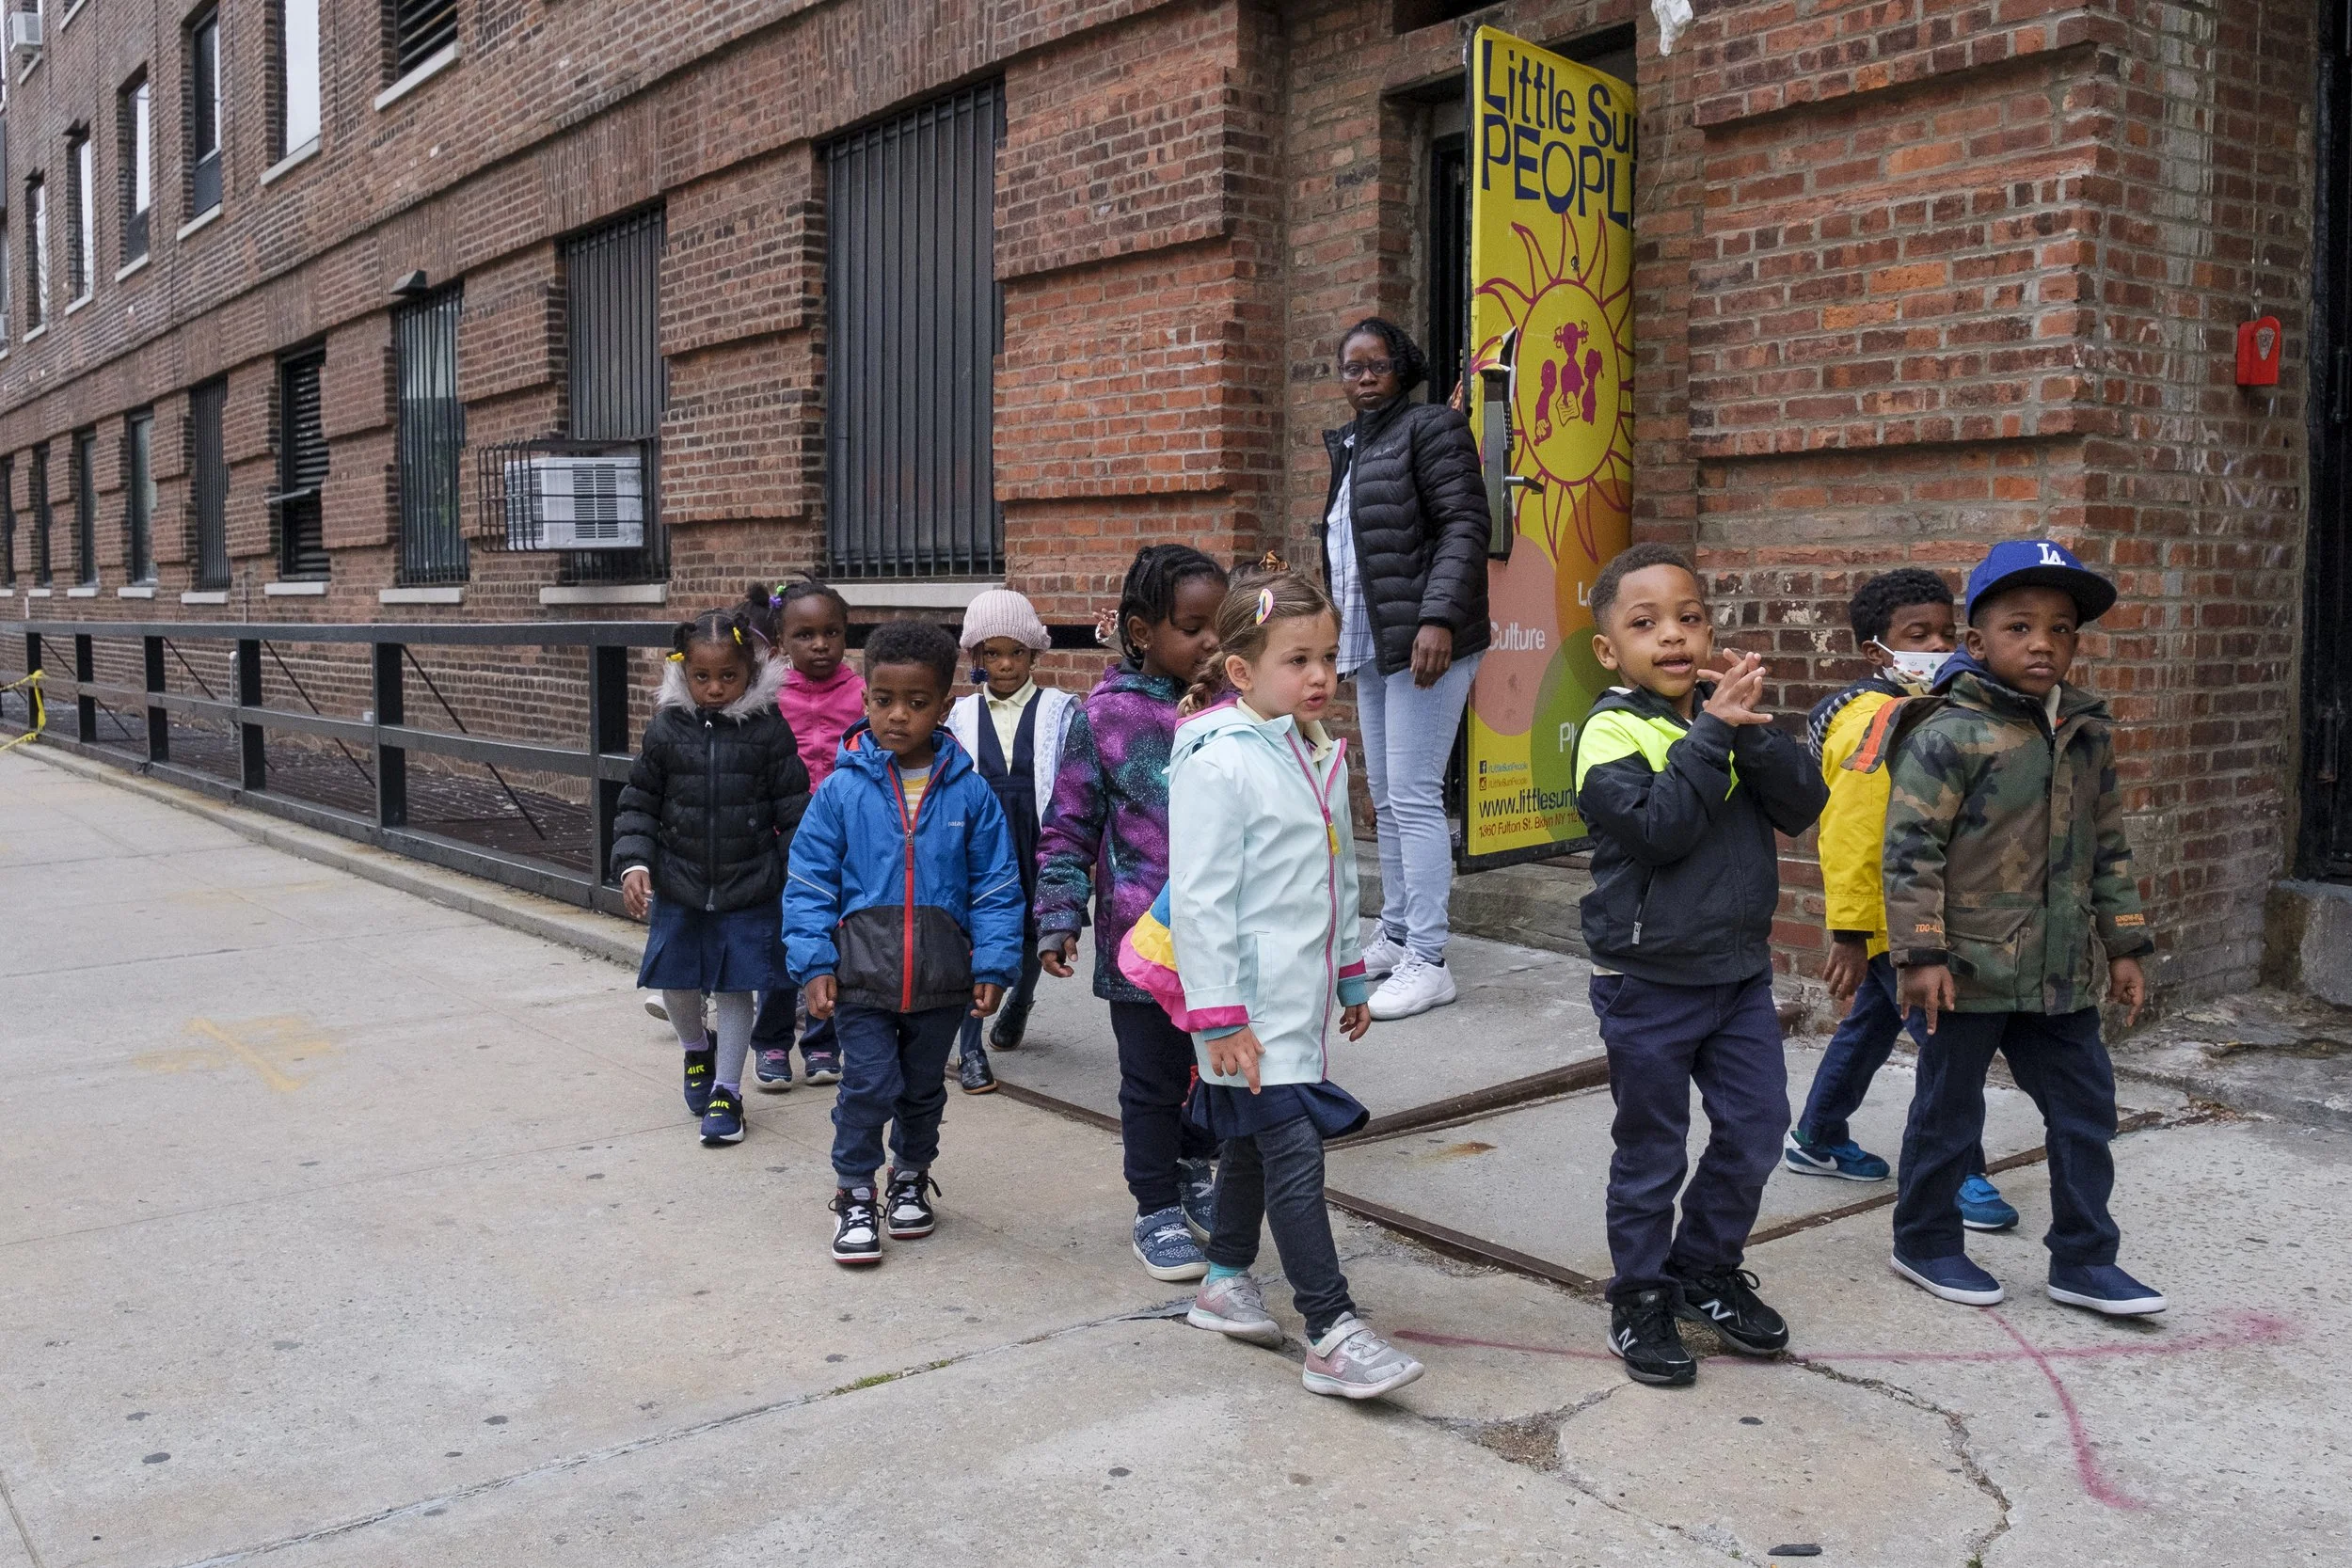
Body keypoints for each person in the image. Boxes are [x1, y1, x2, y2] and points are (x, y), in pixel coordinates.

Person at [1163, 568, 1425, 1401]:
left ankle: (1224, 1279)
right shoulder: (1219, 764)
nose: (1320, 676)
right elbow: (1201, 903)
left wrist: (1351, 973)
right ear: (1242, 672)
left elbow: (1338, 878)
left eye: (1329, 657)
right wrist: (1219, 1018)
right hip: (1241, 1011)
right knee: (1292, 1155)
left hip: (1296, 1009)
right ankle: (1331, 1326)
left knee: (1246, 1143)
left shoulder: (1317, 753)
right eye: (1297, 660)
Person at [1570, 543, 1829, 1386]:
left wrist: (1744, 733)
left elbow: (1804, 802)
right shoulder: (1609, 730)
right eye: (1645, 624)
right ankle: (1639, 1294)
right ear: (1610, 649)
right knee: (1652, 1149)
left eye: (1689, 617)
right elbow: (1660, 828)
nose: (1673, 637)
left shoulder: (1728, 716)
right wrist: (1714, 733)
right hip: (1646, 982)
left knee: (1756, 1129)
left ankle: (1703, 1269)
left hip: (1737, 976)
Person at [1883, 541, 2162, 1316]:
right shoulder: (1948, 733)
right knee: (1949, 1111)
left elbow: (2108, 843)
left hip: (2061, 970)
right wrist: (1921, 954)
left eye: (2062, 628)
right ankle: (1927, 1240)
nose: (2044, 643)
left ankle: (2084, 1258)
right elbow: (1910, 851)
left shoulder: (2085, 731)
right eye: (2020, 627)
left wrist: (2127, 943)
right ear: (1977, 642)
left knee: (2086, 1110)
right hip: (1965, 972)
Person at [783, 620, 1025, 1266]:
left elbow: (997, 885)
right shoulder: (840, 789)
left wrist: (996, 960)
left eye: (917, 703)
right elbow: (807, 882)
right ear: (865, 698)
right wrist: (812, 962)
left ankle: (911, 1175)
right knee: (868, 1082)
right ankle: (855, 1190)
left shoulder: (970, 794)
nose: (897, 715)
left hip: (942, 978)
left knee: (922, 1088)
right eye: (883, 699)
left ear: (945, 706)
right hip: (860, 975)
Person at [1786, 570, 2021, 1231]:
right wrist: (1853, 932)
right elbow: (1856, 832)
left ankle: (1817, 1134)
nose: (1938, 646)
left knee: (1868, 1027)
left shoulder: (1936, 708)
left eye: (1947, 633)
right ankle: (1957, 1174)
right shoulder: (1878, 720)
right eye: (1917, 636)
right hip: (1902, 929)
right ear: (1875, 651)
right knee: (1948, 1051)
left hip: (1916, 916)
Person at [1035, 544, 1231, 1281]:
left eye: (1223, 624)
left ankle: (1192, 1170)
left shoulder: (1234, 710)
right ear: (1143, 631)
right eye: (1194, 625)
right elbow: (1069, 825)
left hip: (1220, 935)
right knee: (1150, 1077)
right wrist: (1059, 913)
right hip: (1141, 945)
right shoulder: (1106, 716)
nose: (1212, 640)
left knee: (1211, 1071)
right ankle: (1153, 1201)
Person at [1320, 317, 1492, 1022]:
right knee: (1386, 797)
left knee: (1416, 795)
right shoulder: (1355, 445)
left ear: (1403, 368)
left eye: (1377, 365)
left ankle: (1429, 958)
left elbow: (1463, 523)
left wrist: (1439, 618)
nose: (1364, 377)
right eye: (1351, 367)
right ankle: (1395, 932)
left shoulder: (1432, 429)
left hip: (1425, 636)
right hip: (1373, 635)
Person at [612, 609, 810, 1148]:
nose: (716, 688)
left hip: (750, 885)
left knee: (733, 986)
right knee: (675, 981)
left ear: (750, 670)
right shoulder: (666, 728)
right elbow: (639, 802)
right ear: (683, 670)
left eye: (729, 677)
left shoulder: (768, 730)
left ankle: (727, 1089)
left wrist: (794, 871)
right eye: (703, 677)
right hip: (680, 881)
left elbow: (794, 808)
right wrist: (635, 862)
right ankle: (696, 1047)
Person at [944, 588, 1077, 1094]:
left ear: (1034, 654)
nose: (1004, 665)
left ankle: (1020, 999)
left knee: (1031, 933)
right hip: (981, 843)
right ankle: (971, 1046)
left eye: (1016, 653)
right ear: (976, 657)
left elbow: (1070, 780)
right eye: (992, 654)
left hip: (1038, 836)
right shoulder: (959, 716)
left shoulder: (1059, 710)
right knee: (980, 936)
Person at [745, 578, 865, 1090]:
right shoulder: (766, 699)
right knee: (782, 942)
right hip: (781, 840)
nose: (820, 645)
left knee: (836, 940)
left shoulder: (864, 692)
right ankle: (772, 1041)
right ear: (780, 641)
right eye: (805, 635)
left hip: (847, 840)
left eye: (831, 633)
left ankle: (823, 1042)